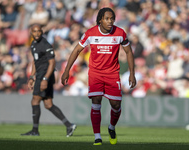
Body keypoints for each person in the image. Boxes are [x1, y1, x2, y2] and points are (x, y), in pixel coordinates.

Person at [61, 7, 136, 145]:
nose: (110, 21)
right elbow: (77, 50)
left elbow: (129, 52)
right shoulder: (90, 33)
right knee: (96, 101)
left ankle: (112, 127)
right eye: (107, 18)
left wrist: (132, 74)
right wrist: (67, 70)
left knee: (116, 104)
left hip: (112, 74)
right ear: (100, 19)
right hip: (95, 73)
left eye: (112, 18)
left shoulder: (120, 33)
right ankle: (97, 136)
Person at [21, 24, 76, 137]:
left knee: (35, 100)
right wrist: (32, 77)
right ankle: (69, 125)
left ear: (42, 32)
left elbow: (52, 63)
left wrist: (45, 79)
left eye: (38, 31)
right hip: (40, 75)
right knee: (48, 104)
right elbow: (35, 62)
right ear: (31, 33)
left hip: (45, 75)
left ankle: (35, 131)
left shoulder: (45, 44)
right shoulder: (33, 44)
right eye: (34, 31)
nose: (36, 33)